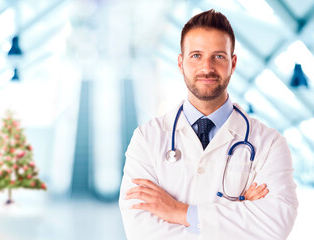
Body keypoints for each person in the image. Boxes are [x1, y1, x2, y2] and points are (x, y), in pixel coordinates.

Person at [119, 9, 298, 240]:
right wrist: (240, 213)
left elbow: (275, 224)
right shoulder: (146, 139)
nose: (207, 68)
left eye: (218, 56)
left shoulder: (270, 143)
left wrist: (178, 212)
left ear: (232, 64)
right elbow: (141, 230)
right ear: (180, 63)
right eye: (196, 56)